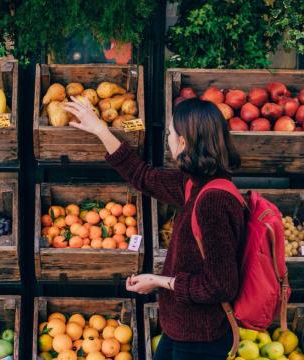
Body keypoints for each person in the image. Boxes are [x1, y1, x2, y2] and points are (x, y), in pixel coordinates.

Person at [63, 98, 245, 360]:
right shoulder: (194, 183)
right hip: (180, 327)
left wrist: (159, 281)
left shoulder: (213, 201)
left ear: (183, 143)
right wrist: (101, 130)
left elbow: (220, 286)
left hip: (201, 338)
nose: (167, 139)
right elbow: (143, 177)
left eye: (170, 134)